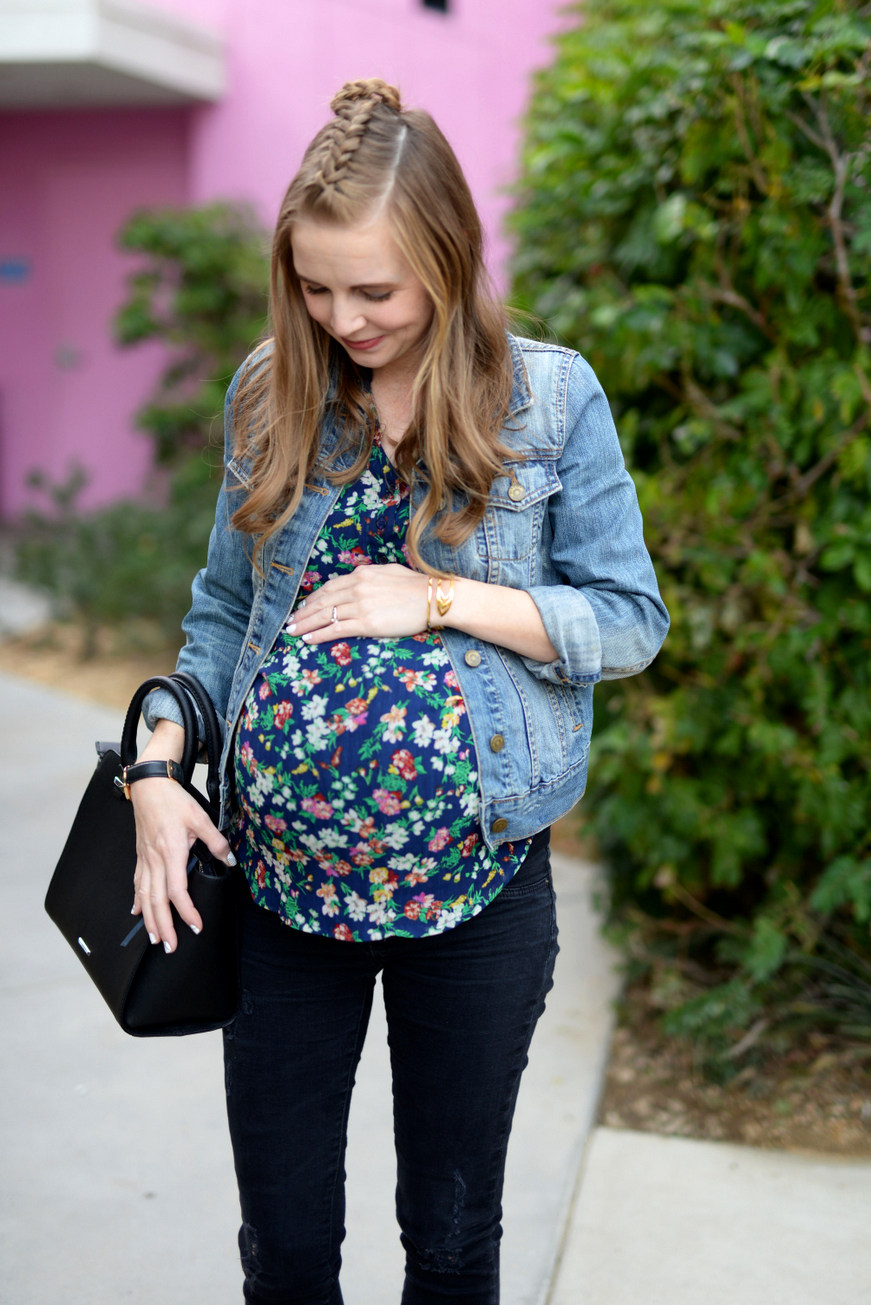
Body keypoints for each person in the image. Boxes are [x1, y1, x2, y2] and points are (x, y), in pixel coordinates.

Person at [129, 78, 669, 1305]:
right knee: (286, 1255)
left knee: (452, 1241)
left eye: (374, 289)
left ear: (447, 254)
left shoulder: (548, 399)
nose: (344, 317)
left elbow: (628, 620)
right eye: (316, 289)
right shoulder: (274, 389)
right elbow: (221, 612)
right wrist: (157, 767)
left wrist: (430, 595)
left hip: (474, 897)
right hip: (279, 900)